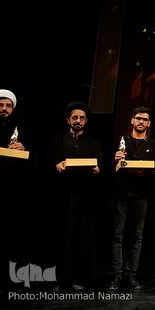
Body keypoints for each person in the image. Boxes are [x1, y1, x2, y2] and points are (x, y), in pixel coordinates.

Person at [44, 101, 104, 292]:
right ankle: (56, 279)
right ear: (68, 120)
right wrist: (55, 166)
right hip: (62, 197)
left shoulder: (93, 143)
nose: (78, 120)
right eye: (75, 117)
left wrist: (98, 170)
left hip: (84, 198)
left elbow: (101, 167)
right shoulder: (57, 141)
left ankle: (79, 277)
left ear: (86, 121)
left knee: (81, 238)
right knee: (60, 238)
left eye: (82, 118)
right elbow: (45, 164)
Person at [107, 106, 155, 292]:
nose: (141, 122)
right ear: (132, 120)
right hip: (120, 193)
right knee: (117, 234)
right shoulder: (120, 141)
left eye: (145, 119)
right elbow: (108, 167)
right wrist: (115, 160)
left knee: (136, 235)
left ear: (149, 123)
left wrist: (142, 172)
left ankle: (131, 274)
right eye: (138, 118)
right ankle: (116, 275)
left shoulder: (153, 145)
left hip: (141, 195)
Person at [0, 89, 37, 294]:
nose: (4, 109)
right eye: (0, 105)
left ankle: (7, 281)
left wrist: (23, 151)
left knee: (10, 236)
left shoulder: (22, 132)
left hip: (13, 193)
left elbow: (34, 161)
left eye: (8, 106)